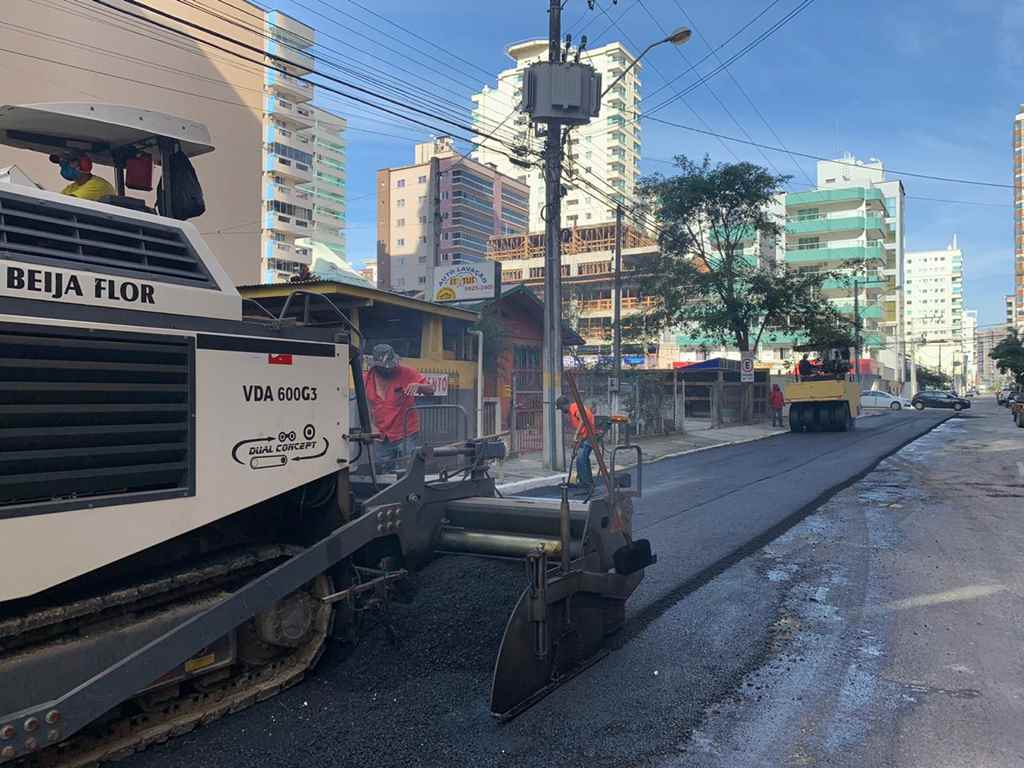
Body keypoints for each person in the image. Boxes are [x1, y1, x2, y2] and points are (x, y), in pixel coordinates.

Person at [363, 343, 434, 473]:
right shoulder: (366, 379)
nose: (388, 370)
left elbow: (431, 389)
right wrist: (371, 426)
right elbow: (364, 404)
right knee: (382, 473)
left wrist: (419, 386)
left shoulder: (407, 373)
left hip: (406, 433)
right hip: (381, 435)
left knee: (407, 471)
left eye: (391, 367)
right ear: (375, 366)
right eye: (384, 368)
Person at [556, 395, 597, 489]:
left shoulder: (574, 407)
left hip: (589, 436)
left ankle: (587, 484)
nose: (562, 411)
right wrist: (576, 444)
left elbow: (583, 420)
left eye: (561, 408)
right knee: (581, 459)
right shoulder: (572, 410)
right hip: (584, 437)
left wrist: (575, 434)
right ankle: (585, 482)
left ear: (564, 405)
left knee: (581, 459)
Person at [49, 151, 115, 202]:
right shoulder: (71, 187)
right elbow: (57, 201)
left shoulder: (98, 185)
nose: (63, 166)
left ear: (84, 165)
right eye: (62, 163)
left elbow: (69, 202)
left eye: (69, 162)